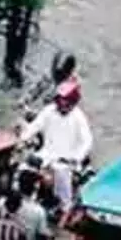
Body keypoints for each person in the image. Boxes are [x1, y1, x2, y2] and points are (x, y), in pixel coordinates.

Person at [18, 79, 93, 210]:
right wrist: (22, 139)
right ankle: (23, 197)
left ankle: (65, 205)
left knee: (60, 172)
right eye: (61, 101)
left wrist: (76, 157)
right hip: (46, 153)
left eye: (66, 102)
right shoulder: (49, 111)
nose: (63, 105)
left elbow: (87, 141)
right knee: (24, 167)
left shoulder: (78, 117)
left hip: (66, 158)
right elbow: (35, 126)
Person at [0, 170, 50, 240]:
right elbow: (42, 237)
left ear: (19, 185)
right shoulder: (38, 211)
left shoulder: (2, 201)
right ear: (35, 189)